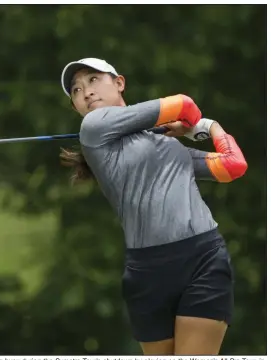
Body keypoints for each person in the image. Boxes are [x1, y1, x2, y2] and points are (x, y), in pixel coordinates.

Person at [59, 58, 248, 355]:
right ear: (76, 106)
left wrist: (210, 127)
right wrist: (190, 125)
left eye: (94, 80)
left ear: (119, 82)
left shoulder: (171, 145)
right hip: (147, 272)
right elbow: (184, 105)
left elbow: (233, 166)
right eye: (76, 90)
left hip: (203, 259)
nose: (86, 92)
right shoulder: (93, 129)